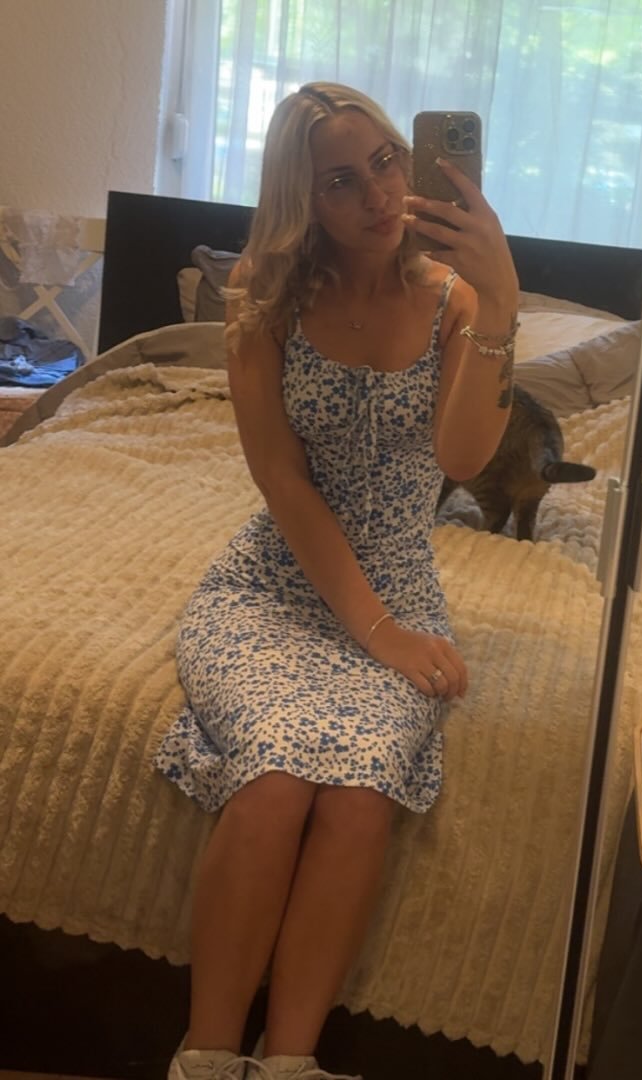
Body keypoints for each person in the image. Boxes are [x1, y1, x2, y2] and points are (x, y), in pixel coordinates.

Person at [153, 80, 519, 1080]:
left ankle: (290, 1065)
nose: (379, 194)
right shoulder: (262, 298)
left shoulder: (455, 302)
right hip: (271, 586)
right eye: (341, 181)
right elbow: (282, 480)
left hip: (401, 587)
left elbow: (462, 458)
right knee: (274, 778)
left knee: (359, 793)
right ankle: (203, 1061)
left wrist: (501, 303)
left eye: (387, 162)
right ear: (301, 199)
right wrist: (377, 634)